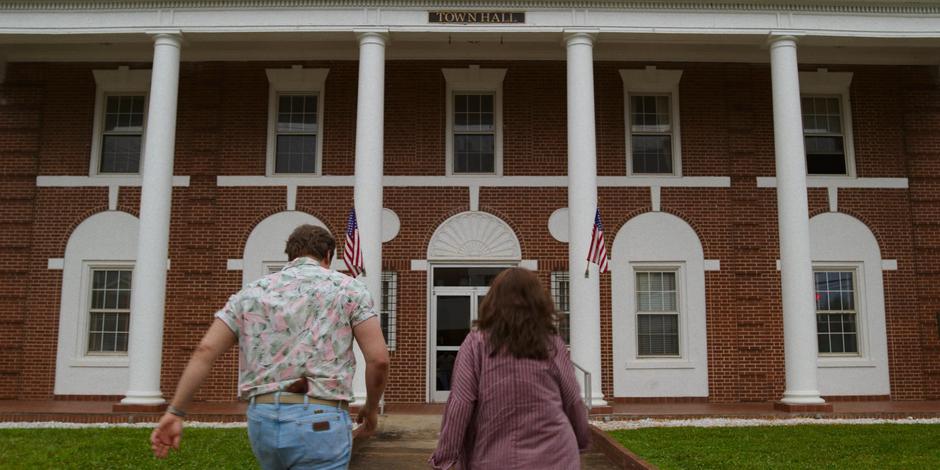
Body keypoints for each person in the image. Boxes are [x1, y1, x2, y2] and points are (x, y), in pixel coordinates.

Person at [150, 224, 389, 470]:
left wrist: (176, 411)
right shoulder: (349, 289)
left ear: (290, 254)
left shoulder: (252, 292)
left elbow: (205, 351)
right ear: (328, 255)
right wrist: (371, 408)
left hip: (263, 418)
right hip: (321, 418)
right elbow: (378, 359)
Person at [429, 267, 591, 469]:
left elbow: (460, 404)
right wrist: (581, 440)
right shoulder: (551, 342)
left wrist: (445, 457)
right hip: (556, 457)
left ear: (493, 302)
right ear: (537, 302)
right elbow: (573, 399)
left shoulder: (475, 342)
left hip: (495, 458)